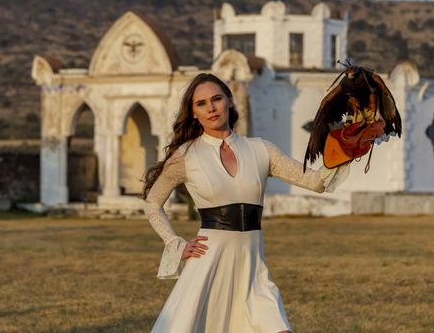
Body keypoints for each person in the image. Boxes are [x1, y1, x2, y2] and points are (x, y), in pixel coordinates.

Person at [142, 73, 348, 333]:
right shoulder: (186, 156)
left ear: (229, 101)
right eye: (201, 104)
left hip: (252, 267)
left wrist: (346, 150)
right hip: (208, 263)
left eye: (216, 99)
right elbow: (152, 204)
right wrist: (175, 244)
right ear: (193, 113)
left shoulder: (261, 149)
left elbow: (317, 182)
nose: (211, 108)